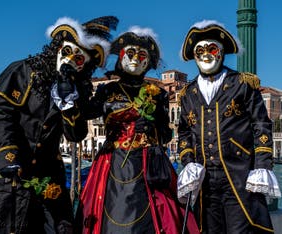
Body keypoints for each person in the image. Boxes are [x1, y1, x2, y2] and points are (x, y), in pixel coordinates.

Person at [0, 16, 118, 234]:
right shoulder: (23, 71)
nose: (71, 60)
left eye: (79, 59)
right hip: (9, 167)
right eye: (67, 52)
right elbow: (2, 115)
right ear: (57, 48)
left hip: (48, 173)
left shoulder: (78, 91)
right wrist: (8, 156)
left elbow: (76, 135)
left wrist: (69, 105)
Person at [75, 26, 199, 233]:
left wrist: (152, 128)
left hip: (148, 163)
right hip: (113, 162)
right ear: (121, 57)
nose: (135, 59)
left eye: (142, 55)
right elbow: (84, 114)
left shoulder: (158, 94)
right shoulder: (108, 90)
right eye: (130, 54)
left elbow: (166, 135)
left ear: (148, 62)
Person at [177, 20, 281, 233]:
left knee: (241, 228)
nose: (206, 55)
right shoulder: (188, 94)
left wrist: (262, 164)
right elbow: (184, 132)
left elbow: (261, 124)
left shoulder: (242, 84)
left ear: (221, 52)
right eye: (200, 51)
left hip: (238, 175)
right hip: (205, 181)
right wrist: (188, 162)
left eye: (212, 49)